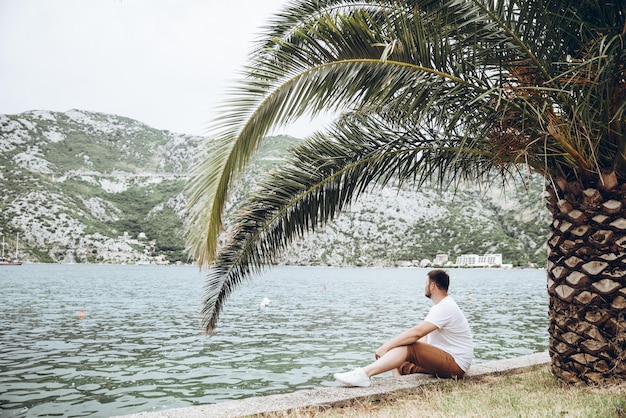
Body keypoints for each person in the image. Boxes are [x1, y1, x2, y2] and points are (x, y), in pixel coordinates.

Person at [334, 269, 473, 387]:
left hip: (456, 365)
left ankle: (364, 374)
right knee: (398, 359)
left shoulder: (445, 307)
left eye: (425, 283)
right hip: (446, 358)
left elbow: (416, 333)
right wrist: (400, 352)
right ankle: (398, 382)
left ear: (432, 285)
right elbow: (424, 336)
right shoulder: (441, 306)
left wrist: (386, 347)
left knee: (408, 347)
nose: (424, 286)